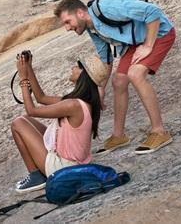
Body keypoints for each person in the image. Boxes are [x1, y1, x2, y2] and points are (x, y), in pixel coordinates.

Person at [54, 0, 175, 155]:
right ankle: (119, 136)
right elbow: (106, 60)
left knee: (135, 74)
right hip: (134, 44)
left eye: (67, 22)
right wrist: (100, 89)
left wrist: (148, 45)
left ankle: (159, 132)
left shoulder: (107, 6)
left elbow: (152, 12)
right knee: (118, 82)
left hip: (159, 34)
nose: (67, 28)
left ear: (80, 13)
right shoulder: (91, 28)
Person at [10, 52, 109, 192]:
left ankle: (36, 176)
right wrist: (28, 68)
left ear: (83, 76)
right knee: (26, 120)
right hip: (71, 163)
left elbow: (31, 110)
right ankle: (37, 174)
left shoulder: (73, 105)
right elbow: (41, 98)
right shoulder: (83, 102)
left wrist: (23, 79)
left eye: (78, 67)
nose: (73, 68)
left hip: (63, 167)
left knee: (18, 123)